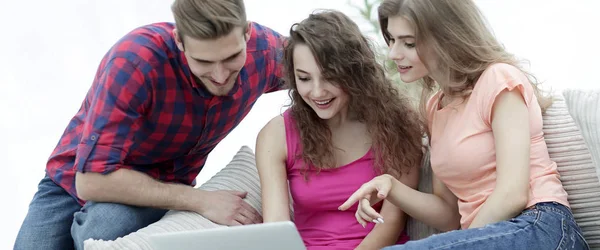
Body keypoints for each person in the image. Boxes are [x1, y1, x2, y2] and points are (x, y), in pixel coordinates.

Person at [14, 0, 286, 249]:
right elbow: (90, 181)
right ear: (179, 40)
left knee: (99, 233)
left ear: (247, 33)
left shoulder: (265, 52)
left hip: (160, 183)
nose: (220, 75)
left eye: (231, 58)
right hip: (74, 177)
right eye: (203, 61)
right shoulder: (135, 63)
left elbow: (322, 56)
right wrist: (203, 201)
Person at [339, 0, 590, 249]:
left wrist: (462, 241)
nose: (394, 54)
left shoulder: (498, 78)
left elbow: (512, 194)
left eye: (409, 43)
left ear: (446, 38)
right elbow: (448, 215)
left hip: (541, 225)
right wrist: (392, 187)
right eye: (391, 40)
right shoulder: (434, 107)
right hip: (490, 235)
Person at [255, 9, 424, 250]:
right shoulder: (276, 135)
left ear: (354, 71)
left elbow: (392, 222)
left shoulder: (398, 123)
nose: (317, 92)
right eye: (304, 78)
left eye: (329, 77)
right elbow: (276, 230)